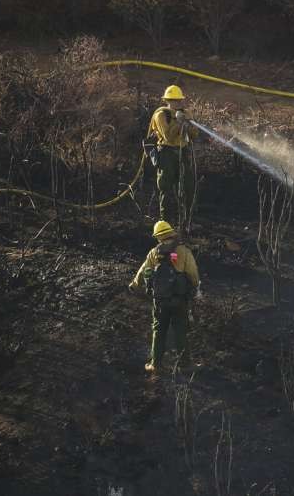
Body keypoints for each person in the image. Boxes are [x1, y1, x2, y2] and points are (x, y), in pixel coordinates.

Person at [129, 220, 201, 373]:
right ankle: (185, 365)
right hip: (179, 299)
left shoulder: (154, 253)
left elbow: (143, 270)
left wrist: (135, 285)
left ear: (158, 237)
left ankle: (155, 364)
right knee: (180, 329)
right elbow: (193, 273)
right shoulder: (183, 251)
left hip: (160, 300)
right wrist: (194, 287)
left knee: (158, 330)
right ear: (171, 233)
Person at [146, 85, 199, 225]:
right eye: (173, 100)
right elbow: (168, 137)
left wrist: (188, 122)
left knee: (188, 187)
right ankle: (166, 222)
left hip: (183, 152)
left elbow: (194, 135)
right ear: (167, 100)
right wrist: (178, 121)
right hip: (167, 153)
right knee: (166, 187)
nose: (177, 103)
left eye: (179, 100)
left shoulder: (185, 113)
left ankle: (186, 221)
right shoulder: (161, 115)